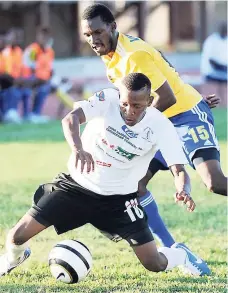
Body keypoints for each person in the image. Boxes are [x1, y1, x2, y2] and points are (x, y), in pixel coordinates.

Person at [0, 73, 210, 277]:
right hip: (76, 187)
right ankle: (13, 259)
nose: (129, 111)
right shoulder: (107, 99)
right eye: (125, 104)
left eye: (137, 106)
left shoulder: (161, 126)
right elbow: (70, 118)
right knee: (17, 236)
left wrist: (183, 188)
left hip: (120, 201)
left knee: (154, 263)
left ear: (149, 101)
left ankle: (181, 255)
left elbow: (179, 170)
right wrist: (77, 149)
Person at [80, 3, 227, 251]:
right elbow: (163, 75)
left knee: (214, 182)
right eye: (88, 35)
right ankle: (172, 249)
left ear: (113, 27)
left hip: (185, 114)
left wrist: (135, 131)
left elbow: (167, 97)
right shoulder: (112, 55)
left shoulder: (133, 55)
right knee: (135, 186)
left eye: (97, 32)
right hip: (162, 121)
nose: (93, 40)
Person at [22, 27, 54, 123]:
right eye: (42, 36)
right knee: (39, 87)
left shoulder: (50, 51)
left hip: (44, 80)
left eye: (46, 37)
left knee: (46, 87)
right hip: (31, 78)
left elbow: (50, 68)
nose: (44, 39)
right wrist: (37, 78)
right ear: (38, 37)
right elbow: (28, 65)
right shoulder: (33, 50)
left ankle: (35, 114)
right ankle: (29, 114)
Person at [200, 22, 227, 103]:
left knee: (224, 94)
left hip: (224, 73)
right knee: (213, 95)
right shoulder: (212, 40)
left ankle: (224, 106)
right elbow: (210, 60)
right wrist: (223, 68)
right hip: (212, 72)